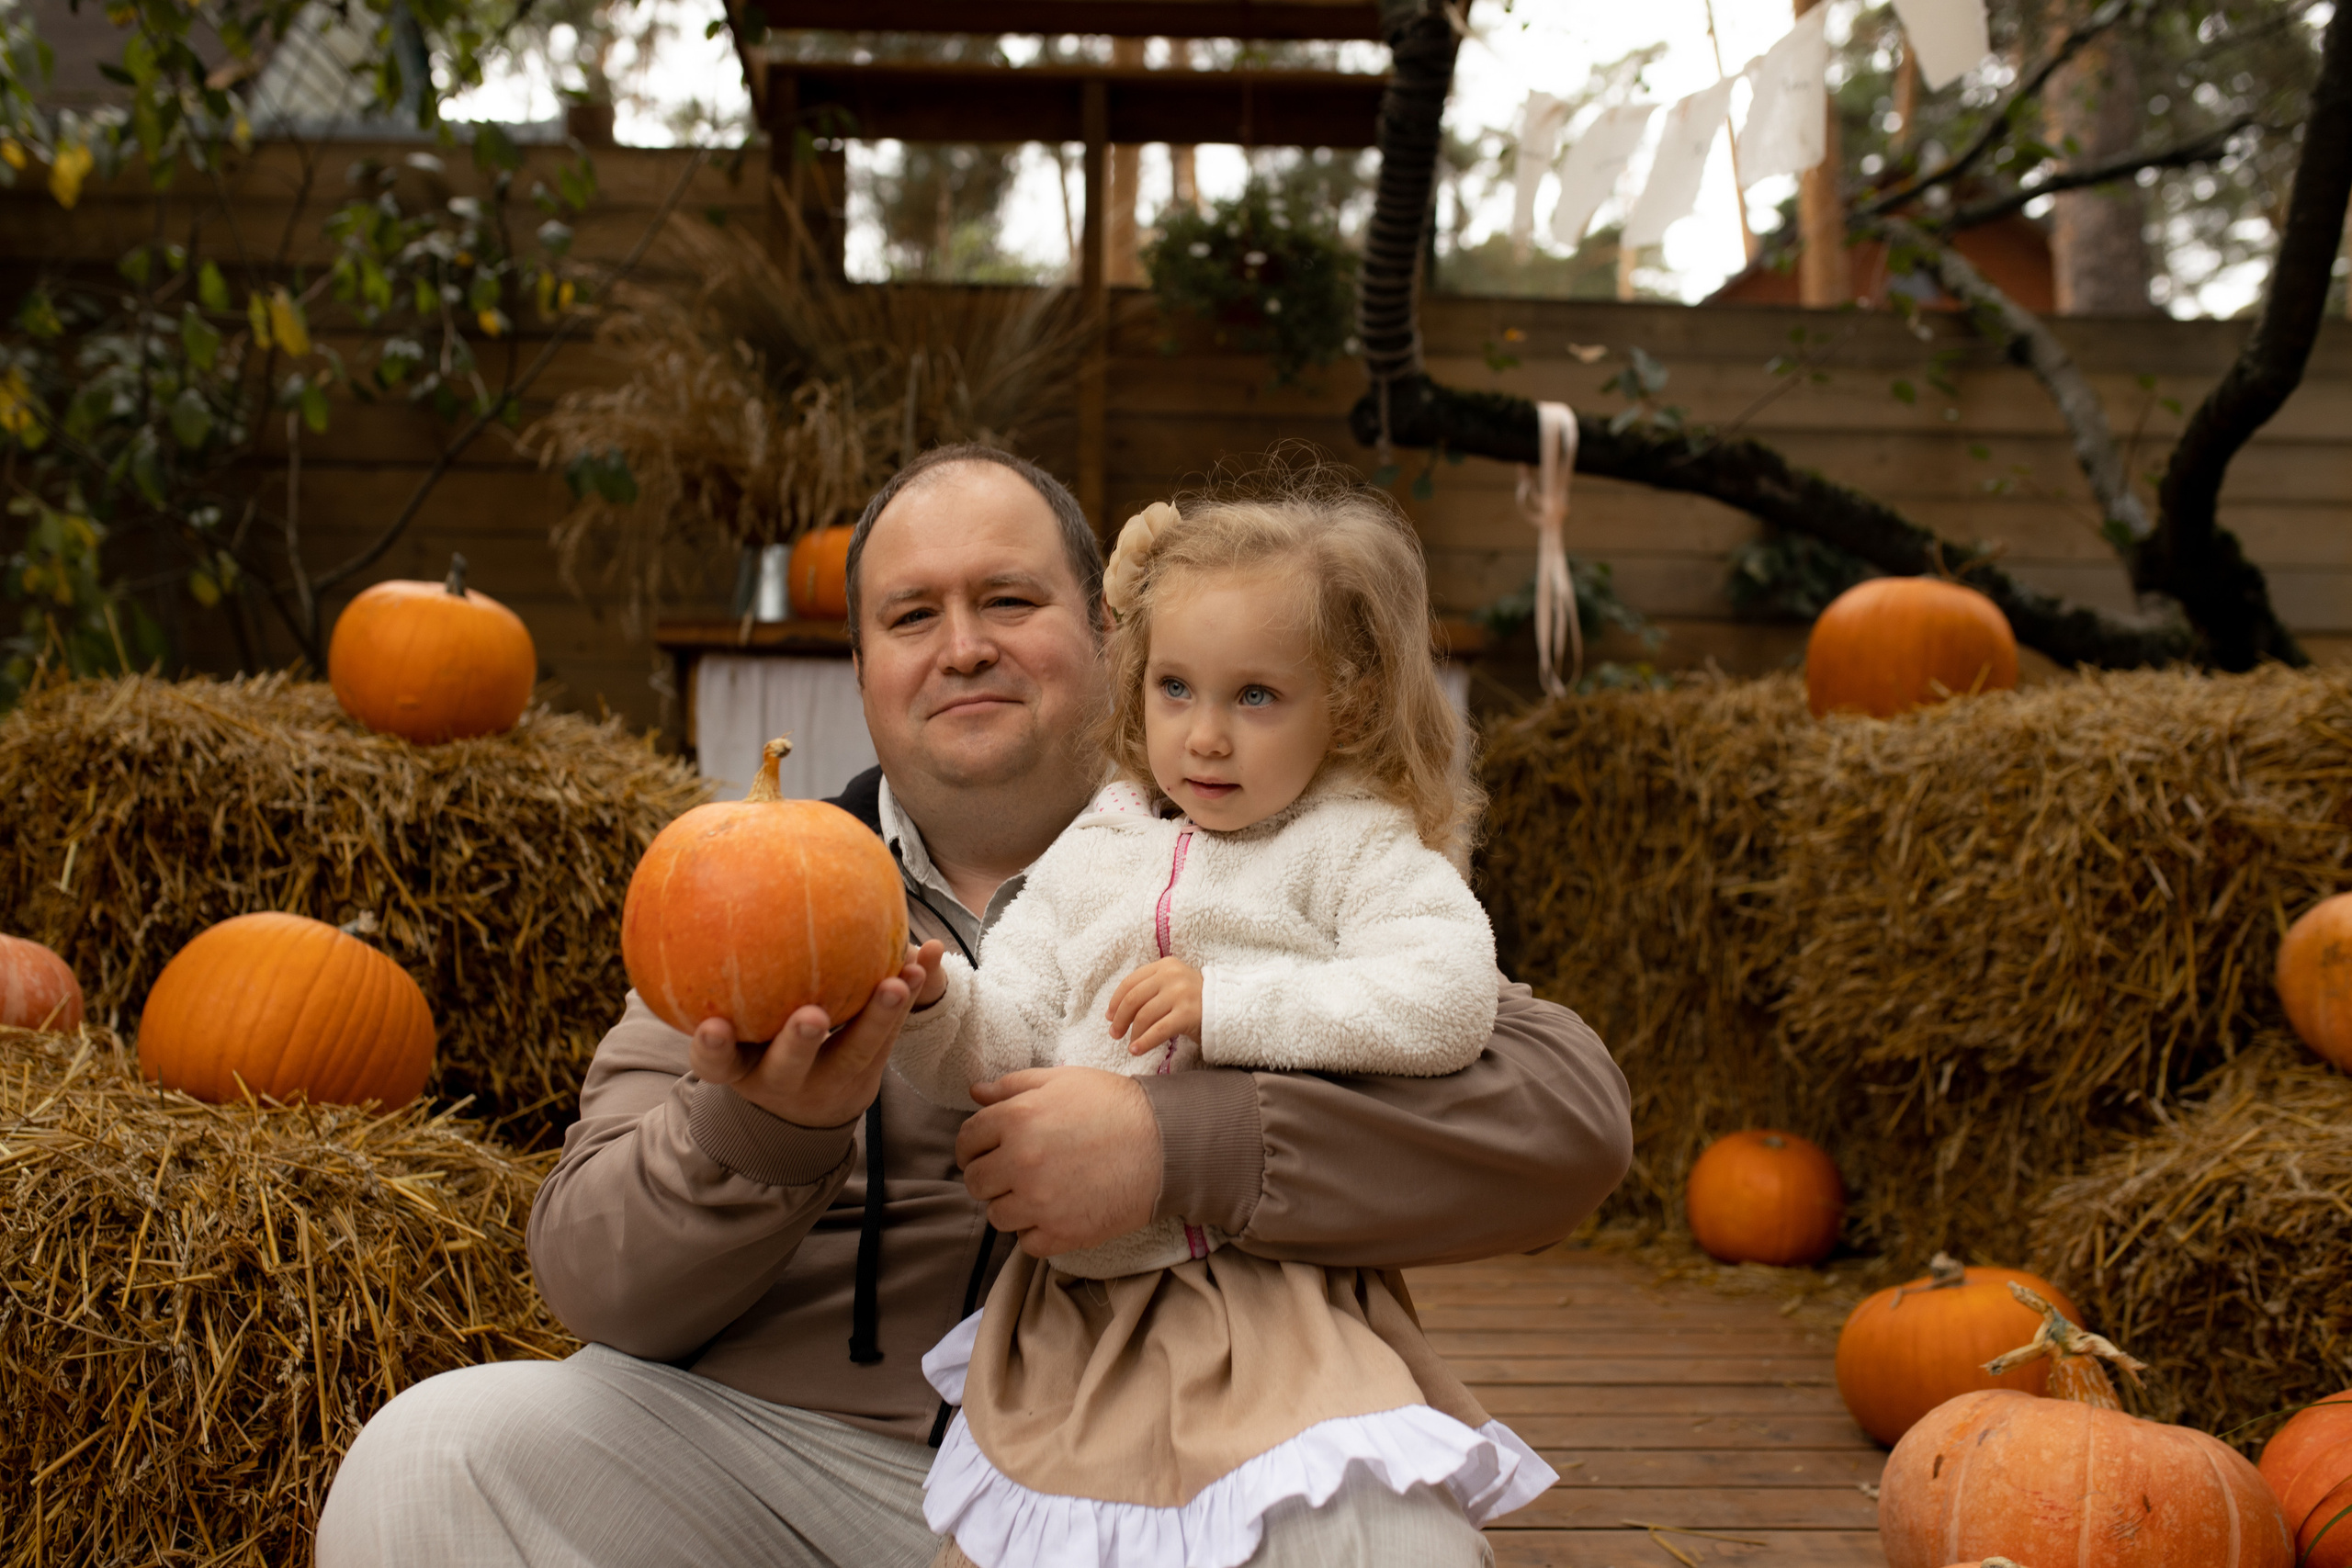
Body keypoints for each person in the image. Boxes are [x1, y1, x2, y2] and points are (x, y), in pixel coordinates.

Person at [314, 444, 1633, 1568]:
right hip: (786, 1455)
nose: (963, 646)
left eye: (1008, 597)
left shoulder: (1251, 868)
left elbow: (1562, 1113)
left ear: (1116, 640)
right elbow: (596, 1276)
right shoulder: (756, 890)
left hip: (1153, 1436)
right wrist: (762, 1134)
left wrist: (1179, 1146)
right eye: (910, 615)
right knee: (433, 1461)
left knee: (1383, 1534)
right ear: (862, 667)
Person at [892, 478, 1557, 1568]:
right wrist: (937, 1005)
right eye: (1173, 688)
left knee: (1372, 1540)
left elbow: (1443, 999)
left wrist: (1234, 1006)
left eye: (1256, 696)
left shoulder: (1354, 846)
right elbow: (1003, 1038)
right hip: (1083, 1320)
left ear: (1341, 704)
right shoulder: (1091, 854)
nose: (1204, 737)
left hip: (1269, 1298)